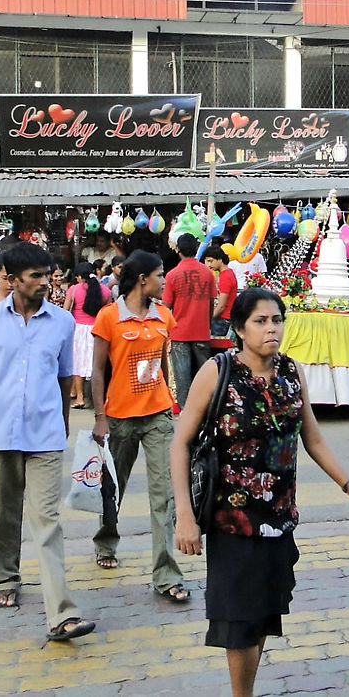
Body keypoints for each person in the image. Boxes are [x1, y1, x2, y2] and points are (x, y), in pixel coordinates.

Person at [169, 288, 349, 697]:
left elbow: (313, 438)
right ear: (239, 329)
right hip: (232, 517)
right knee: (238, 617)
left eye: (277, 320)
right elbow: (181, 442)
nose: (272, 329)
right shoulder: (218, 372)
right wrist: (184, 514)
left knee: (263, 612)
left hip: (279, 517)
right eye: (260, 322)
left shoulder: (290, 372)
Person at [0, 242, 95, 641]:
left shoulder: (62, 322)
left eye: (48, 275)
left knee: (47, 522)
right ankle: (5, 577)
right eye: (35, 277)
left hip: (45, 434)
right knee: (3, 515)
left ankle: (62, 615)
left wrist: (63, 421)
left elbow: (66, 377)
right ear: (11, 280)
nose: (45, 283)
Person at [90, 250, 189, 602]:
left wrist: (171, 403)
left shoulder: (164, 316)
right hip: (118, 418)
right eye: (161, 275)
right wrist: (100, 416)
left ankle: (166, 575)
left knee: (165, 496)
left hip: (158, 415)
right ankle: (105, 540)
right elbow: (98, 370)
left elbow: (163, 363)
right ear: (142, 279)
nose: (165, 281)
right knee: (113, 487)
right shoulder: (108, 318)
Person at [162, 234, 218, 408]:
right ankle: (207, 409)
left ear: (178, 250)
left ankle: (187, 413)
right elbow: (211, 303)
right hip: (201, 332)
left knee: (182, 377)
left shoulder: (172, 275)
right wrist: (207, 324)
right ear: (196, 249)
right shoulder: (208, 273)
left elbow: (166, 307)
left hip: (179, 333)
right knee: (205, 375)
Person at [64, 261, 111, 409]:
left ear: (78, 276)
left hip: (78, 329)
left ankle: (80, 398)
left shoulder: (74, 289)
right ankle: (99, 399)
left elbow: (66, 311)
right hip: (97, 329)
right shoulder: (104, 290)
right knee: (97, 364)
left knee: (78, 363)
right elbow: (108, 311)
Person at [202, 245, 238, 352]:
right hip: (223, 318)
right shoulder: (226, 274)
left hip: (221, 320)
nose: (209, 265)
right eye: (207, 261)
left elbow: (221, 306)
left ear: (220, 259)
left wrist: (207, 319)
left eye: (211, 261)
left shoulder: (225, 277)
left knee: (216, 353)